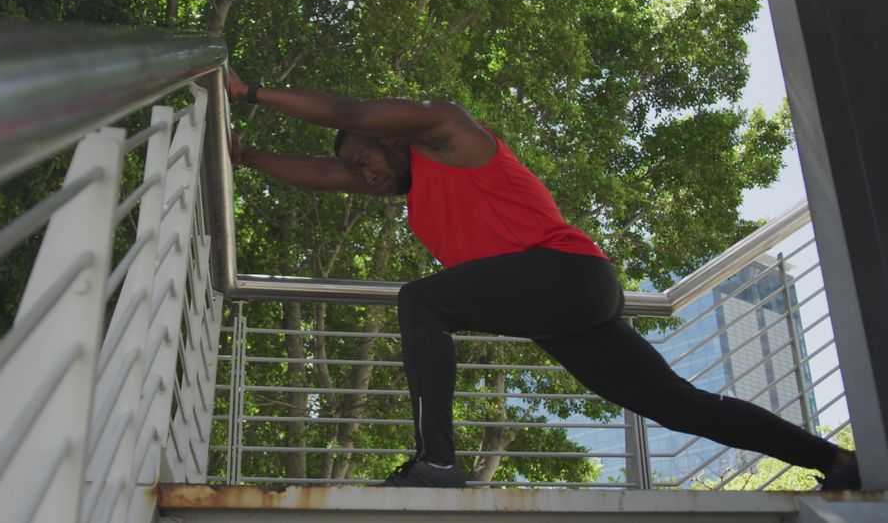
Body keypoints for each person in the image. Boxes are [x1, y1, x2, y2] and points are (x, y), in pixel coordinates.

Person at [223, 69, 861, 490]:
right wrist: (246, 157)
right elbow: (324, 172)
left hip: (568, 276)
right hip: (566, 306)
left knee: (421, 301)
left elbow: (352, 109)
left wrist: (250, 94)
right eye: (358, 174)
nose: (366, 178)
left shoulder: (448, 133)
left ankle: (438, 462)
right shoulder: (410, 188)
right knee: (678, 405)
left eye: (367, 162)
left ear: (394, 142)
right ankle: (836, 463)